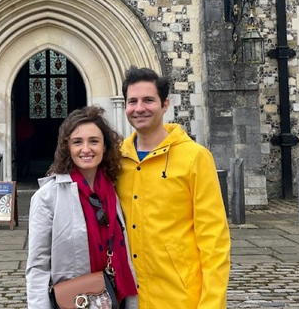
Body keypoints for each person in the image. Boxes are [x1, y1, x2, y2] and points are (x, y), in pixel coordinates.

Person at [116, 67, 230, 309]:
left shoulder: (195, 157)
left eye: (148, 100)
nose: (139, 108)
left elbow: (214, 240)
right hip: (127, 297)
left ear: (165, 104)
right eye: (132, 101)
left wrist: (211, 303)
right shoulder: (116, 160)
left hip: (179, 297)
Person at [26, 106, 138, 309]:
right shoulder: (47, 197)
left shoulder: (113, 191)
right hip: (77, 302)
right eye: (77, 142)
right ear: (67, 147)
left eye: (94, 141)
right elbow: (38, 267)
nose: (86, 149)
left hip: (115, 297)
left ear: (105, 146)